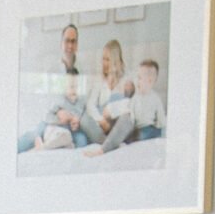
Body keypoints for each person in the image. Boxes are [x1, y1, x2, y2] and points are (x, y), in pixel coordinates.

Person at [19, 20, 97, 152]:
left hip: (72, 124)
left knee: (82, 143)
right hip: (53, 120)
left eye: (73, 41)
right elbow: (46, 100)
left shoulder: (82, 70)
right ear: (61, 43)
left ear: (77, 44)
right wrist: (59, 112)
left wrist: (76, 118)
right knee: (31, 136)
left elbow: (84, 100)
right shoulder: (53, 69)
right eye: (67, 41)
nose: (70, 46)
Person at [96, 55, 166, 152]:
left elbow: (161, 119)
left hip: (149, 128)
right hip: (138, 128)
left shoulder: (155, 99)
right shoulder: (136, 97)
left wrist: (160, 128)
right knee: (133, 132)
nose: (137, 80)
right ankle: (124, 139)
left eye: (140, 78)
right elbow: (131, 115)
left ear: (150, 81)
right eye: (137, 77)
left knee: (149, 133)